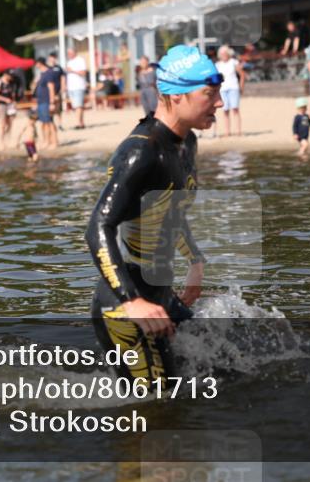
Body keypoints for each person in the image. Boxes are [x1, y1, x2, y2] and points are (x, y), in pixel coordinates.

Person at [86, 44, 221, 381]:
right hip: (126, 308)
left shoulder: (186, 142)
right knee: (158, 411)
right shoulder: (140, 152)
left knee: (223, 367)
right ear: (176, 96)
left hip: (160, 295)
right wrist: (131, 301)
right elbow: (98, 227)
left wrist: (196, 262)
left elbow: (168, 211)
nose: (219, 102)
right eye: (209, 93)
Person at [216, 45, 245, 137]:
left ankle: (238, 131)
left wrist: (241, 87)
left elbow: (242, 75)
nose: (224, 55)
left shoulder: (234, 62)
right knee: (225, 110)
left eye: (225, 53)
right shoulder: (218, 65)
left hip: (233, 87)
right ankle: (227, 132)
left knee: (235, 109)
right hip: (223, 89)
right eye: (222, 53)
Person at [33, 58, 58, 149]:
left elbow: (51, 88)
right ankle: (46, 141)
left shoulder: (48, 73)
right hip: (40, 101)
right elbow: (34, 88)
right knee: (43, 123)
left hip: (46, 101)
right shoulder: (41, 75)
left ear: (39, 63)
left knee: (49, 122)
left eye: (36, 64)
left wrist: (52, 103)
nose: (35, 66)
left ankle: (54, 142)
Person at [0, 71, 18, 148]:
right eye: (10, 76)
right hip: (2, 105)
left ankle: (7, 140)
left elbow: (12, 94)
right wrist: (5, 99)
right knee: (3, 124)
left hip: (10, 105)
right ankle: (1, 142)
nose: (11, 78)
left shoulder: (11, 83)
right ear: (6, 74)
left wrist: (14, 102)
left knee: (10, 123)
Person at [65, 48, 89, 129]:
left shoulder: (80, 60)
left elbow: (83, 73)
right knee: (76, 106)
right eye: (68, 53)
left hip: (79, 86)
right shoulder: (69, 62)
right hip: (71, 87)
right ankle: (81, 123)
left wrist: (72, 70)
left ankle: (78, 123)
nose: (69, 55)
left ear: (75, 52)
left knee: (78, 106)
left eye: (70, 53)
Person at [46, 52, 65, 131]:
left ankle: (60, 124)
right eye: (52, 57)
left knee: (58, 109)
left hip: (57, 92)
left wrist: (63, 88)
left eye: (54, 57)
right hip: (48, 92)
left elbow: (63, 78)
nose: (53, 59)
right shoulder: (46, 68)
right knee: (49, 109)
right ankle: (51, 124)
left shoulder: (58, 68)